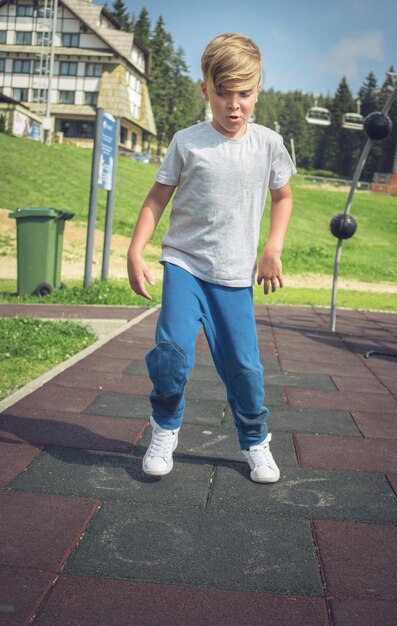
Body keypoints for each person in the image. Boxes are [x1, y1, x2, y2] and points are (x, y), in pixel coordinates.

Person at [127, 33, 296, 483]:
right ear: (206, 90)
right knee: (171, 355)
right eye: (224, 93)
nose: (234, 104)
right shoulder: (187, 142)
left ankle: (256, 440)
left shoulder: (268, 145)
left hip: (236, 276)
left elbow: (283, 198)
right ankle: (164, 428)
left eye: (245, 93)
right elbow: (156, 198)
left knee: (243, 369)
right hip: (184, 264)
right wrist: (135, 248)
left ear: (258, 91)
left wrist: (272, 248)